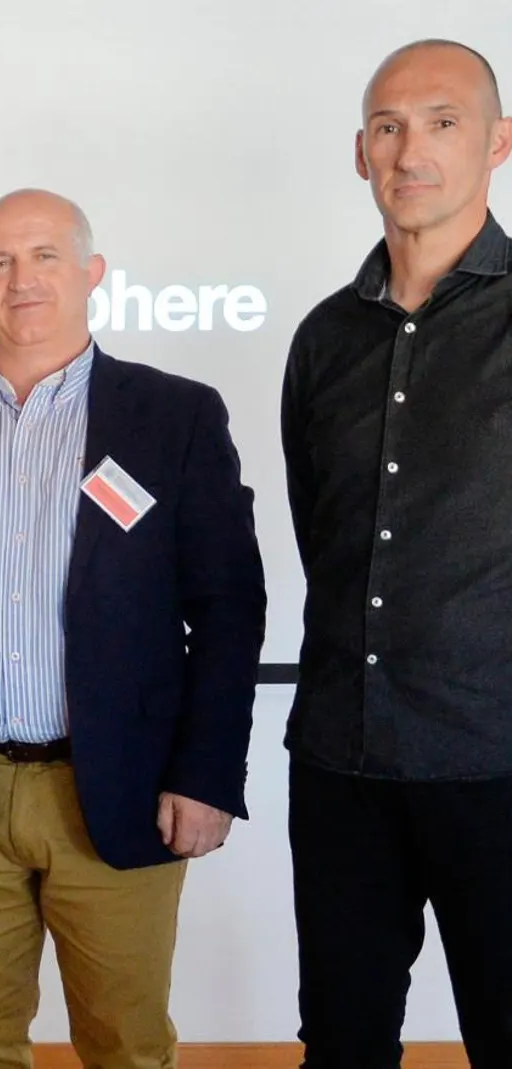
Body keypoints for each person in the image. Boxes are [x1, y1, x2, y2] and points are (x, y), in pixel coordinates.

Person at [0, 189, 265, 1067]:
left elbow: (229, 608)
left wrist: (210, 772)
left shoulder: (174, 417)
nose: (21, 278)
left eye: (43, 257)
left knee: (125, 1043)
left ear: (92, 275)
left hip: (121, 782)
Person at [281, 39, 512, 1066]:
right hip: (341, 761)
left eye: (441, 121)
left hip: (496, 765)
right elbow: (318, 532)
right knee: (339, 1041)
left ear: (498, 142)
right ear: (360, 153)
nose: (408, 148)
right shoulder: (322, 340)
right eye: (386, 126)